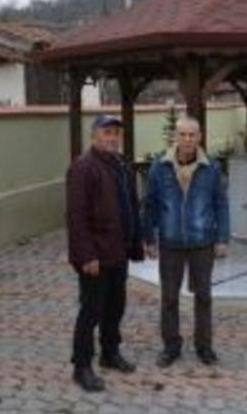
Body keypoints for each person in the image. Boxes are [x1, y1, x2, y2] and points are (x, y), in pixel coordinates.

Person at [66, 114, 148, 392]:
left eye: (116, 133)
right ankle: (81, 365)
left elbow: (129, 204)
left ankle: (110, 353)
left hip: (118, 252)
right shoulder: (83, 167)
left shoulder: (120, 164)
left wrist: (137, 240)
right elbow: (76, 217)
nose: (112, 137)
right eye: (107, 132)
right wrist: (86, 255)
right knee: (91, 311)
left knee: (115, 307)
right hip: (95, 256)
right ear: (94, 136)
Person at [143, 116, 229, 368]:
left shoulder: (211, 168)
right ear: (175, 137)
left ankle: (204, 346)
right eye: (183, 134)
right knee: (169, 297)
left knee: (203, 297)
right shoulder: (159, 167)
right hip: (170, 242)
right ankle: (171, 346)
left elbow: (221, 204)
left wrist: (222, 237)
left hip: (203, 241)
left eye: (192, 134)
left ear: (199, 137)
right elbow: (150, 205)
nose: (188, 139)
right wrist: (149, 237)